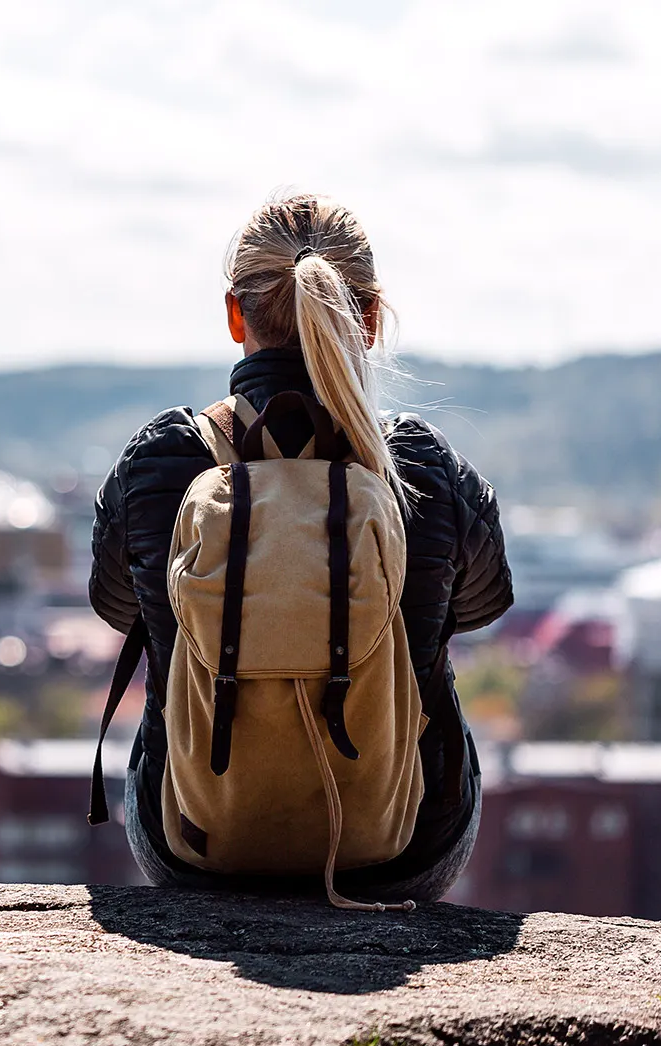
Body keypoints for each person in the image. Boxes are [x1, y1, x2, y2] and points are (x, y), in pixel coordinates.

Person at [88, 192, 512, 905]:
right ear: (369, 320)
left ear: (236, 316)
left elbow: (115, 606)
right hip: (403, 850)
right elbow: (482, 605)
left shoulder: (164, 459)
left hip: (194, 841)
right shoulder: (419, 464)